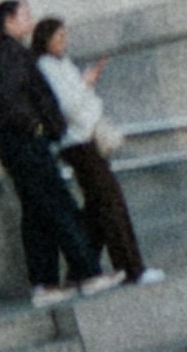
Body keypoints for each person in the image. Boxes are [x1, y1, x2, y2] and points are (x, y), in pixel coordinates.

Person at [0, 0, 98, 308]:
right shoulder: (11, 55)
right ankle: (88, 272)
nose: (30, 20)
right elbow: (11, 101)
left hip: (20, 143)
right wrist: (38, 126)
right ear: (9, 21)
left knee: (37, 215)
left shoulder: (9, 53)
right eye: (24, 15)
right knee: (58, 205)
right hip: (25, 143)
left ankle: (44, 283)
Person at [30, 14, 154, 289]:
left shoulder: (61, 63)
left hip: (84, 139)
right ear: (45, 40)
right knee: (111, 202)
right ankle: (131, 269)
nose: (64, 41)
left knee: (97, 209)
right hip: (78, 141)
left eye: (65, 36)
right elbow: (67, 107)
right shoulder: (46, 67)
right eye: (59, 37)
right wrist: (84, 83)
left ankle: (81, 271)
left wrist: (85, 85)